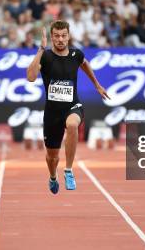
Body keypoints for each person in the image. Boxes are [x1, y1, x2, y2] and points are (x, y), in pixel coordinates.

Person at [26, 20, 109, 194]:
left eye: (64, 36)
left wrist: (97, 85)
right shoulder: (46, 56)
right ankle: (53, 177)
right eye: (56, 36)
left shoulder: (76, 54)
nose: (60, 39)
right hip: (52, 112)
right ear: (51, 37)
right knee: (52, 157)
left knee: (72, 125)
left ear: (68, 36)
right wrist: (40, 49)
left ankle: (69, 170)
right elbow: (31, 77)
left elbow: (85, 64)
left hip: (73, 105)